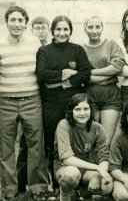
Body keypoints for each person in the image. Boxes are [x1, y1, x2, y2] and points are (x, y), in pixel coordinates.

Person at [36, 15, 91, 190]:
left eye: (65, 29)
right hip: (51, 104)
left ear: (70, 31)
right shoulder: (44, 51)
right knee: (52, 143)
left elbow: (85, 74)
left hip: (74, 104)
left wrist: (59, 82)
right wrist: (66, 72)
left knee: (76, 140)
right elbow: (42, 75)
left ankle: (78, 180)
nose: (62, 33)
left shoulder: (77, 50)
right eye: (58, 29)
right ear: (52, 31)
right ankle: (54, 181)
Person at [0, 6, 49, 200]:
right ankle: (8, 191)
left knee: (36, 145)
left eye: (20, 20)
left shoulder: (35, 43)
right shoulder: (0, 43)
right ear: (7, 23)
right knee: (6, 148)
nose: (17, 24)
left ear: (25, 23)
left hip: (31, 100)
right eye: (13, 20)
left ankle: (38, 188)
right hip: (5, 102)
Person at [54, 93, 113, 201]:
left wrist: (97, 175)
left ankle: (83, 192)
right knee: (71, 175)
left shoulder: (98, 128)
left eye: (86, 109)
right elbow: (67, 159)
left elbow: (104, 157)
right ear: (71, 111)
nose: (82, 113)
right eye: (77, 109)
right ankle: (65, 195)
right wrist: (97, 168)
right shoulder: (63, 125)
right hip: (66, 168)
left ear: (91, 110)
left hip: (87, 170)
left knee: (107, 187)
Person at [17, 16, 51, 194]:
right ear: (31, 29)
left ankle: (49, 183)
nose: (40, 30)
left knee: (48, 143)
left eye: (43, 27)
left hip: (50, 100)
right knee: (26, 142)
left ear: (48, 29)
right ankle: (21, 183)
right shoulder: (29, 47)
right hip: (31, 99)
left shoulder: (52, 47)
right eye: (36, 27)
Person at [82, 16, 125, 144]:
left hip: (110, 94)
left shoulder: (111, 45)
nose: (94, 30)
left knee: (106, 139)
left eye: (97, 27)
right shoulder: (81, 49)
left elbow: (117, 67)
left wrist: (92, 72)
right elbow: (81, 76)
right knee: (90, 137)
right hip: (89, 95)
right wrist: (108, 74)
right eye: (90, 27)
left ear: (102, 28)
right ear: (85, 29)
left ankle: (106, 164)